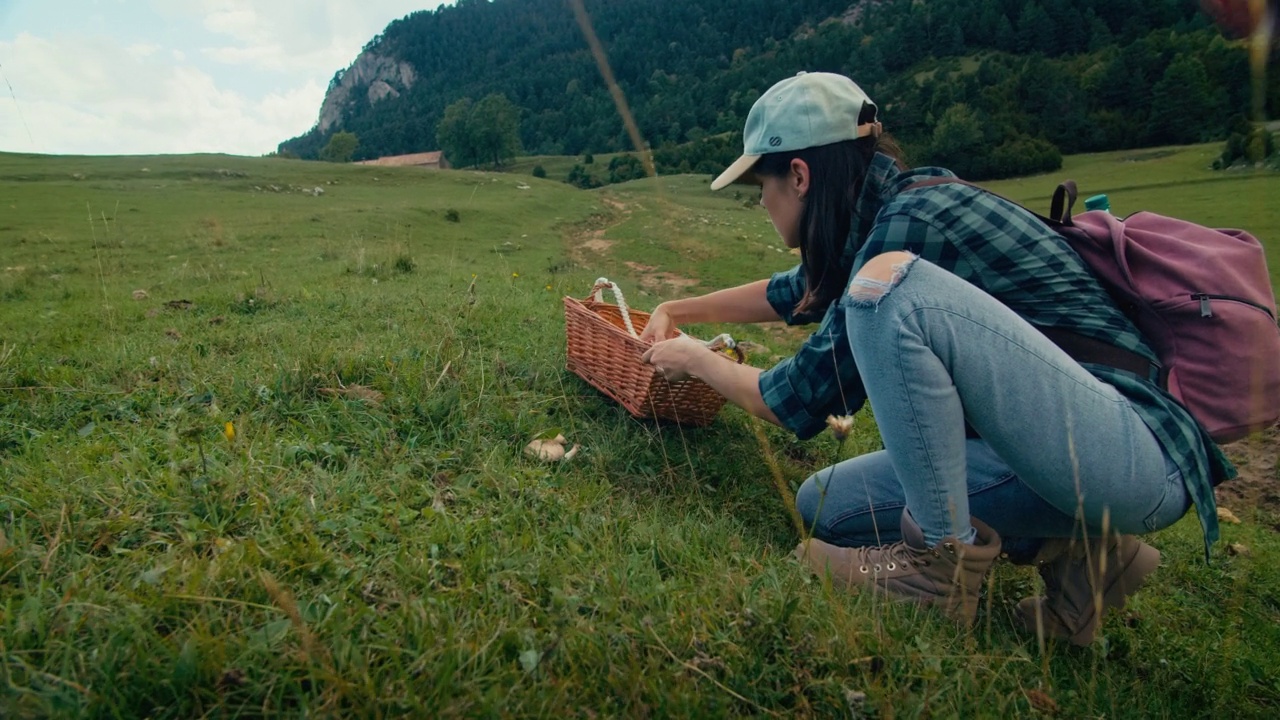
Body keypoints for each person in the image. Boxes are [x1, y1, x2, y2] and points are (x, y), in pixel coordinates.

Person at [638, 71, 1233, 644]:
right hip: (1086, 448)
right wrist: (681, 308)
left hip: (1132, 454)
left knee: (884, 291)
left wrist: (697, 360)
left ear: (798, 175)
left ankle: (938, 571)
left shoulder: (908, 227)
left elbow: (802, 398)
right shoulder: (901, 208)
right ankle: (1086, 556)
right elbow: (804, 288)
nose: (761, 202)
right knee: (827, 504)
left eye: (758, 186)